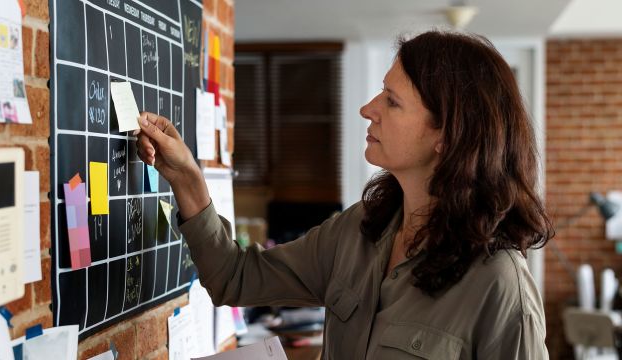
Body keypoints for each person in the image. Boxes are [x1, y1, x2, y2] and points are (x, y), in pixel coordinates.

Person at [135, 30, 552, 359]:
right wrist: (187, 178)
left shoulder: (501, 288)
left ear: (447, 134)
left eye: (391, 101)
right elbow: (235, 277)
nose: (368, 108)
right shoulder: (358, 231)